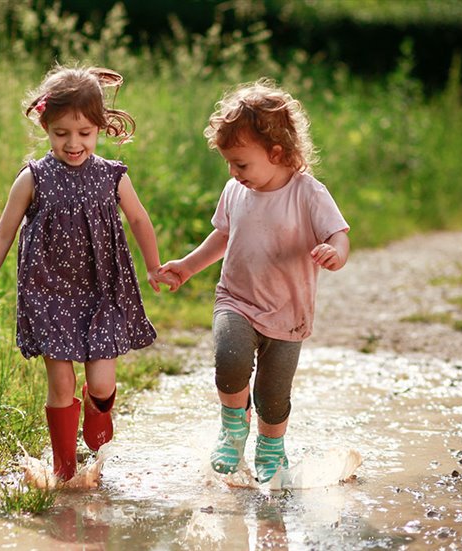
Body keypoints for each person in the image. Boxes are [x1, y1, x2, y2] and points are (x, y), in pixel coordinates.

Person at [0, 64, 174, 482]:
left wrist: (154, 266)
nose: (73, 143)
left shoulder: (112, 175)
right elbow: (3, 232)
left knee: (101, 383)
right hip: (49, 293)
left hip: (102, 291)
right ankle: (64, 470)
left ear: (100, 127)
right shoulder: (33, 178)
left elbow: (138, 219)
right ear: (45, 126)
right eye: (61, 133)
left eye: (84, 133)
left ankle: (97, 406)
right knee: (60, 384)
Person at [161, 80, 350, 483]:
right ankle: (232, 429)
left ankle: (271, 445)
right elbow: (223, 237)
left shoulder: (308, 194)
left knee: (272, 394)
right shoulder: (235, 191)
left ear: (276, 153)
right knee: (229, 360)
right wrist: (189, 266)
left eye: (241, 163)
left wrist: (335, 252)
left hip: (289, 314)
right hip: (236, 299)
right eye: (229, 163)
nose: (233, 172)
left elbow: (339, 234)